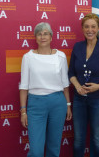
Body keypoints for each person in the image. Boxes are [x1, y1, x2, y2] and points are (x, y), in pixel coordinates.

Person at [19, 22, 72, 157]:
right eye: (39, 34)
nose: (42, 37)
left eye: (46, 34)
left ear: (51, 37)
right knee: (36, 151)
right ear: (35, 37)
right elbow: (24, 86)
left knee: (53, 148)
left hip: (58, 103)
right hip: (36, 104)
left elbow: (65, 84)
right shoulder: (28, 57)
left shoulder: (60, 57)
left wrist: (68, 105)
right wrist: (23, 111)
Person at [68, 13, 99, 157]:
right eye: (87, 26)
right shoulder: (77, 47)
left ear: (98, 28)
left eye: (93, 27)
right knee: (78, 139)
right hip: (79, 100)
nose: (90, 30)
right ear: (82, 29)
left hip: (98, 99)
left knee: (97, 139)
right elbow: (71, 73)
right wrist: (77, 86)